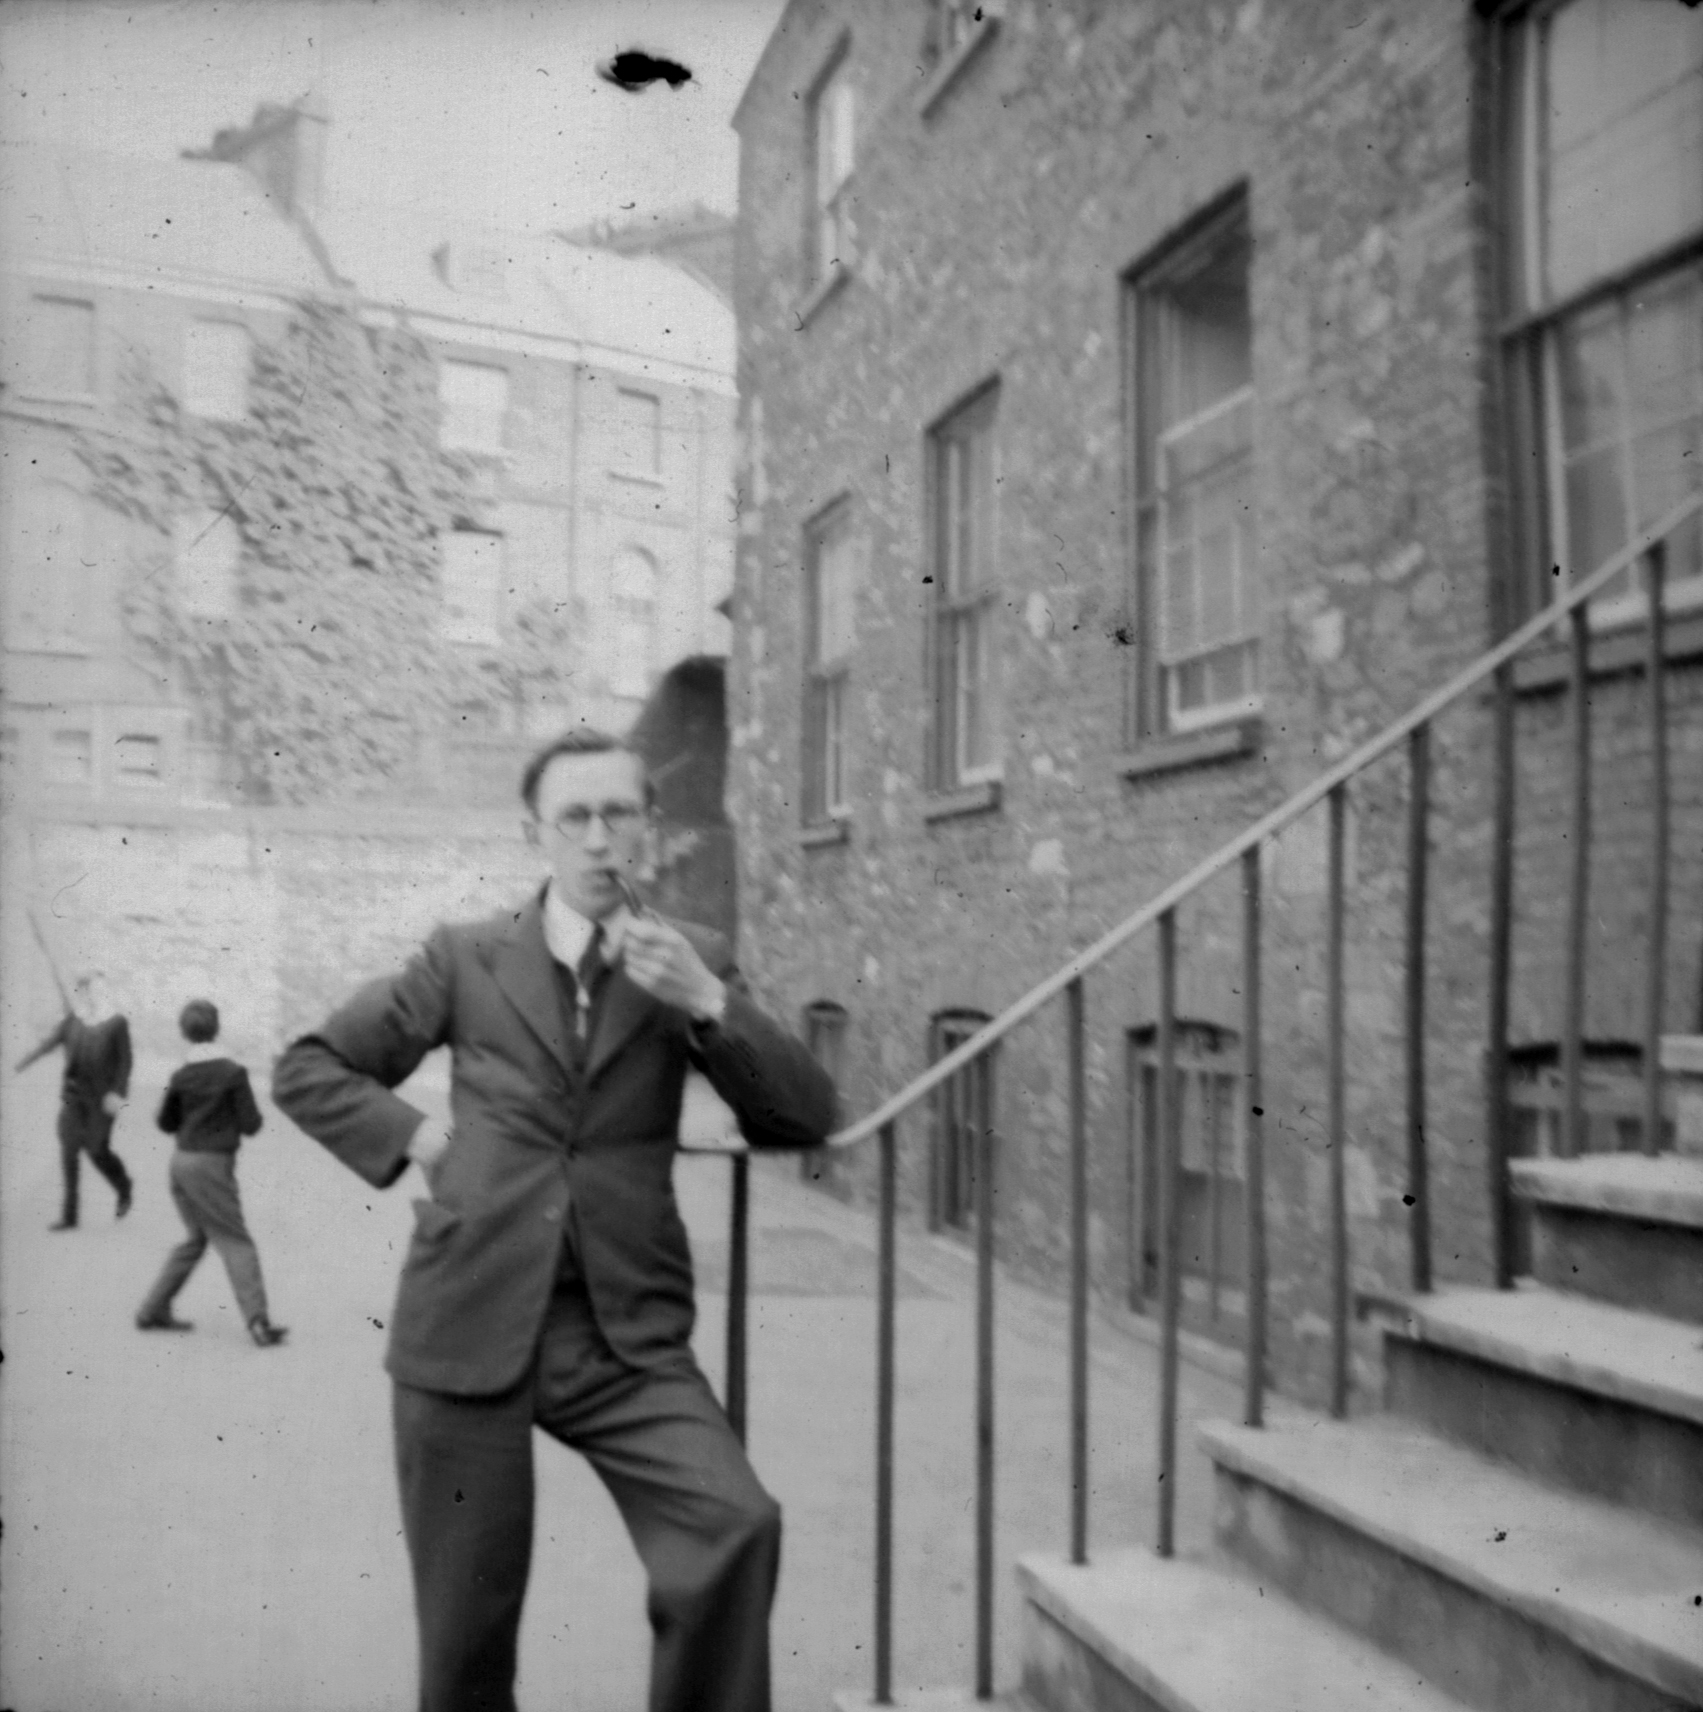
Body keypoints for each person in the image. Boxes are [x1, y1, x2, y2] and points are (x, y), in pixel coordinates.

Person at [271, 728, 836, 1712]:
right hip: (465, 1313)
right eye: (573, 816)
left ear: (648, 827)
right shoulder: (466, 956)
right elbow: (310, 1066)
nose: (598, 838)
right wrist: (418, 1136)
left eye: (618, 812)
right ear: (535, 831)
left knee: (733, 1522)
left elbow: (802, 1114)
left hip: (620, 1332)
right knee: (465, 1636)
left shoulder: (689, 957)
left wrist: (704, 1001)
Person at [135, 998, 287, 1347]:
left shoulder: (180, 1074)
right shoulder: (233, 1072)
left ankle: (151, 1309)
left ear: (184, 1032)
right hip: (212, 1166)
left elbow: (164, 1122)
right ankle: (258, 1323)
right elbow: (252, 1125)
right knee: (235, 1241)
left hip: (181, 1164)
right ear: (217, 1028)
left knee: (196, 1239)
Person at [14, 970, 134, 1231]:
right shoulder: (72, 1021)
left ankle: (124, 1186)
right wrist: (17, 1066)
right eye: (88, 990)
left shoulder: (116, 1023)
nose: (94, 995)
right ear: (82, 994)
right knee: (69, 1151)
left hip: (103, 1102)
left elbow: (125, 1062)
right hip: (73, 1098)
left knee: (96, 1151)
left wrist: (118, 1093)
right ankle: (70, 1217)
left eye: (99, 989)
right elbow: (48, 1044)